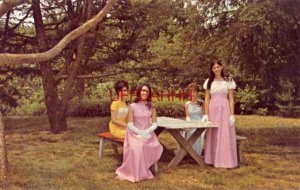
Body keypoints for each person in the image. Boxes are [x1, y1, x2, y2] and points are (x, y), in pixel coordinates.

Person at [115, 84, 163, 183]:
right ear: (139, 92)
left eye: (146, 91)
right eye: (142, 90)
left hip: (148, 134)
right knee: (138, 147)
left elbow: (154, 124)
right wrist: (140, 132)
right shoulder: (132, 106)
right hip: (133, 133)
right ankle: (135, 173)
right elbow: (130, 125)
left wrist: (146, 132)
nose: (144, 93)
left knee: (150, 146)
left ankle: (143, 170)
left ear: (149, 93)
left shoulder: (152, 106)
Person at [201, 60, 238, 168]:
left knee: (225, 133)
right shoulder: (209, 82)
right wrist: (206, 114)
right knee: (214, 134)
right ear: (212, 70)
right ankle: (212, 159)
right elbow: (207, 99)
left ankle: (226, 161)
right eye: (214, 68)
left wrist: (232, 115)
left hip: (225, 109)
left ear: (221, 67)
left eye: (218, 67)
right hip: (213, 110)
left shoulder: (228, 81)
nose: (216, 69)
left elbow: (231, 99)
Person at [183, 82, 205, 155]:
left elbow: (204, 116)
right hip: (190, 123)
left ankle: (197, 153)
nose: (193, 94)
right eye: (191, 92)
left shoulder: (202, 103)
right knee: (188, 132)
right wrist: (189, 122)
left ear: (197, 93)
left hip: (200, 124)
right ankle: (189, 153)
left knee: (197, 133)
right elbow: (187, 116)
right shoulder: (187, 104)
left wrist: (201, 122)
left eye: (194, 92)